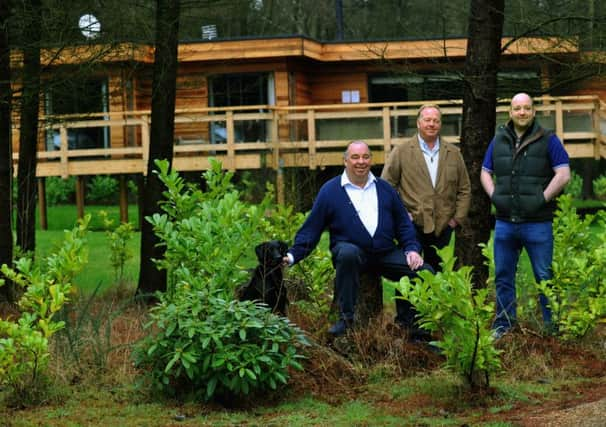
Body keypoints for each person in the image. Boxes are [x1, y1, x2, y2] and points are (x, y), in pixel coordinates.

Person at [284, 141, 433, 338]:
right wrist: (293, 255)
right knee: (347, 253)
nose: (361, 162)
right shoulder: (330, 191)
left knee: (424, 272)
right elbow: (312, 228)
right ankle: (345, 320)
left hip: (384, 253)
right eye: (355, 157)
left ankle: (411, 327)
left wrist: (412, 249)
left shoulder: (385, 189)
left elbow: (403, 224)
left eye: (365, 157)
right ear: (345, 161)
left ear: (371, 160)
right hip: (351, 252)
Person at [480, 93, 571, 338]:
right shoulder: (498, 139)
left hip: (538, 224)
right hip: (505, 224)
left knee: (544, 277)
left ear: (533, 112)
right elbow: (485, 172)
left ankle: (551, 330)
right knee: (503, 276)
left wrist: (542, 199)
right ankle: (504, 327)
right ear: (510, 112)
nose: (522, 112)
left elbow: (563, 174)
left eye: (527, 108)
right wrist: (495, 197)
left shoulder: (548, 139)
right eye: (517, 108)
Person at [381, 104, 471, 271]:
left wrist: (456, 219)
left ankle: (432, 299)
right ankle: (405, 299)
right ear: (418, 123)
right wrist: (400, 214)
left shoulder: (453, 153)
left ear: (440, 124)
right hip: (411, 224)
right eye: (427, 120)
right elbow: (386, 186)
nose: (431, 124)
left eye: (436, 121)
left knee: (437, 272)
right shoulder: (401, 152)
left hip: (443, 225)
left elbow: (464, 188)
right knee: (409, 270)